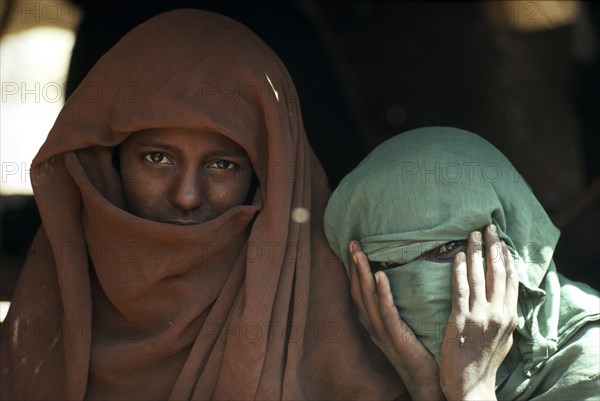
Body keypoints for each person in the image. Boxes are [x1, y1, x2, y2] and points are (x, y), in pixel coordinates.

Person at [0, 9, 407, 400]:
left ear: (268, 178)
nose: (187, 195)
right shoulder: (41, 323)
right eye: (157, 158)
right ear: (109, 165)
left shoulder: (329, 340)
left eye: (223, 165)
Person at [324, 127, 600, 400]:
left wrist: (472, 390)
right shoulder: (369, 373)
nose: (419, 286)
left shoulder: (589, 357)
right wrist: (427, 389)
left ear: (511, 240)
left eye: (447, 248)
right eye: (388, 262)